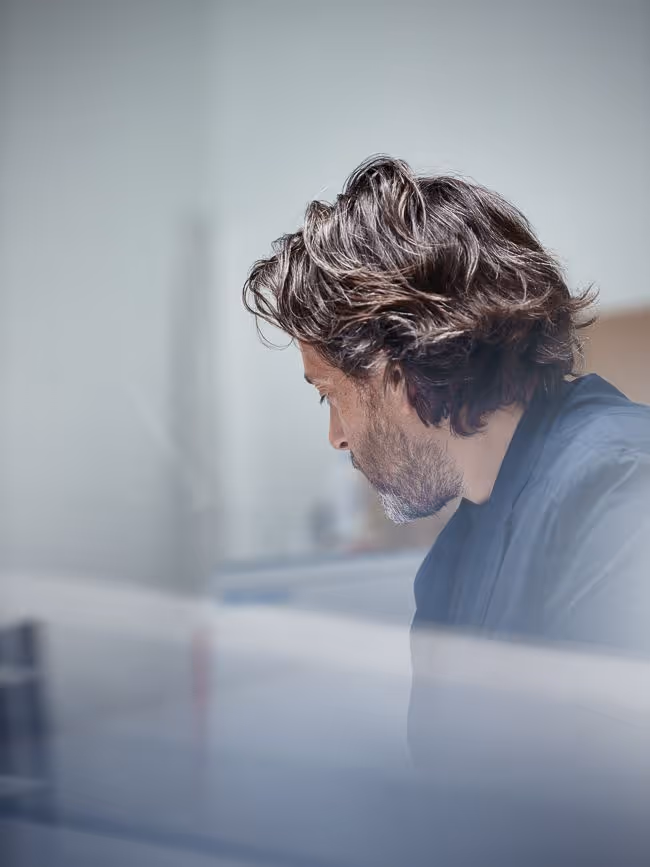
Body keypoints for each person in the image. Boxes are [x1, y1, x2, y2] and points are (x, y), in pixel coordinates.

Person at [242, 155, 650, 659]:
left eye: (330, 394)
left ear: (400, 369)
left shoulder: (624, 490)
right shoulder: (453, 560)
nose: (337, 437)